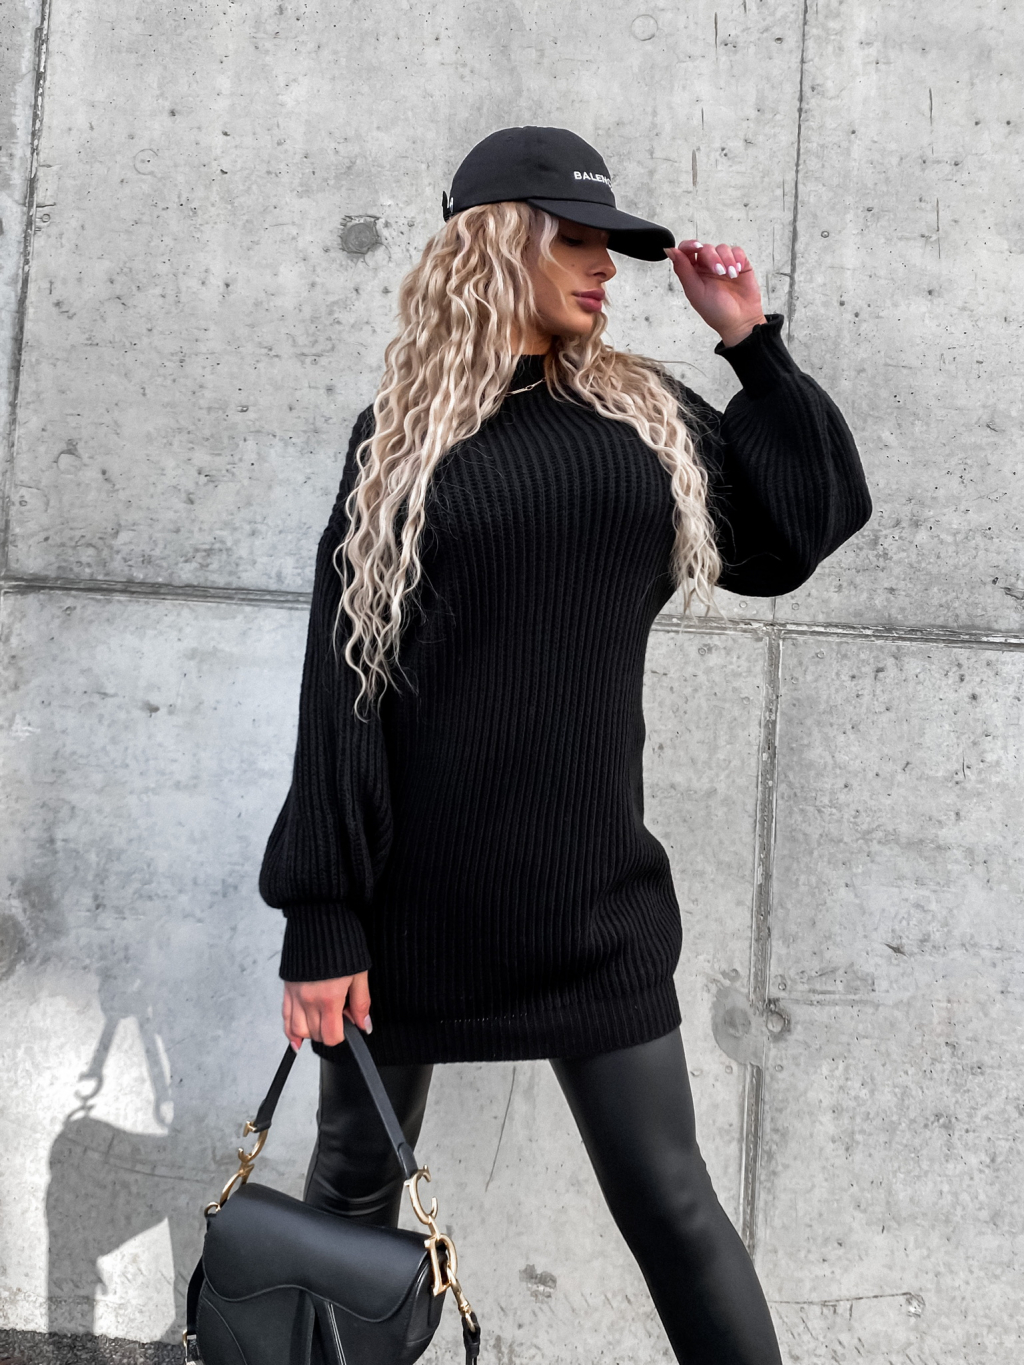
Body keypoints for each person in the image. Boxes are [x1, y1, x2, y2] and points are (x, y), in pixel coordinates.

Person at [258, 126, 871, 1365]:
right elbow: (343, 690)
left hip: (594, 903)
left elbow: (803, 527)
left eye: (610, 246)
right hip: (410, 911)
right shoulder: (401, 439)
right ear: (497, 243)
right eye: (576, 240)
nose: (604, 268)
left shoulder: (641, 415)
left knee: (673, 1204)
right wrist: (322, 916)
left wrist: (750, 343)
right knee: (353, 1193)